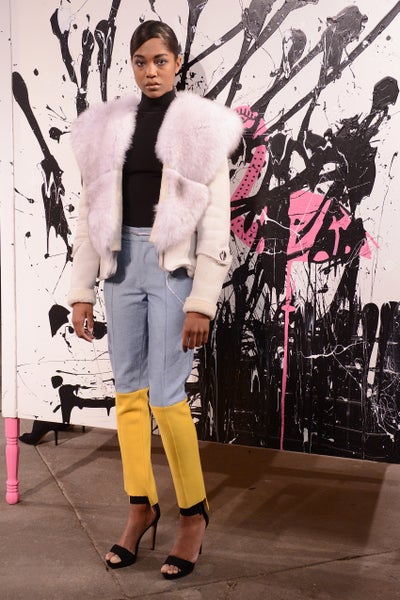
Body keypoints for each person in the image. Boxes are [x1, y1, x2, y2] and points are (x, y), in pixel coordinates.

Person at [68, 20, 243, 580]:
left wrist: (203, 301)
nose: (151, 71)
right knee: (128, 394)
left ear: (177, 62)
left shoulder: (201, 127)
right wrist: (81, 292)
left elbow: (216, 222)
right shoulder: (106, 128)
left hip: (172, 270)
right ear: (132, 64)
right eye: (141, 61)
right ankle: (140, 507)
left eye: (161, 60)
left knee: (168, 398)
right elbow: (89, 214)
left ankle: (193, 515)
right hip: (120, 266)